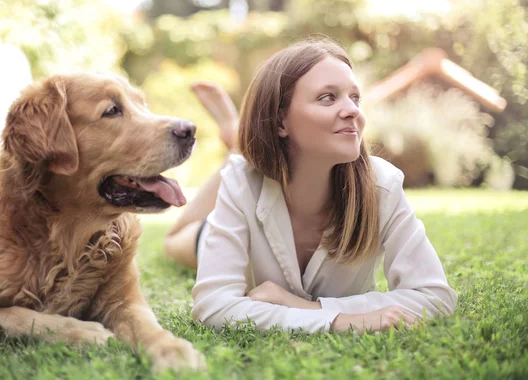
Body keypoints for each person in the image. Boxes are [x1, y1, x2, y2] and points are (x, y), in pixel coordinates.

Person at [164, 38, 457, 334]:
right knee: (175, 240)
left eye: (354, 98)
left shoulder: (383, 184)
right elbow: (213, 306)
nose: (352, 111)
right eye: (328, 98)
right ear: (280, 122)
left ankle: (238, 145)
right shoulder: (243, 184)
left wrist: (310, 309)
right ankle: (237, 148)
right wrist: (341, 321)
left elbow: (434, 297)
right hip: (216, 232)